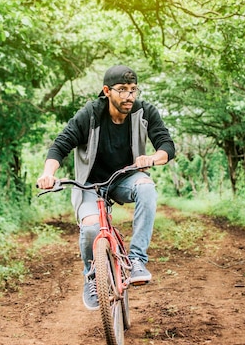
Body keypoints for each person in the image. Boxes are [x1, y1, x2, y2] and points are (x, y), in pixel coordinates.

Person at [36, 64, 176, 310]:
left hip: (124, 179)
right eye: (122, 90)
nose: (129, 96)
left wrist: (152, 158)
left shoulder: (144, 112)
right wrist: (48, 173)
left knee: (146, 187)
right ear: (107, 91)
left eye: (133, 90)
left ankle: (137, 260)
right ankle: (92, 275)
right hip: (89, 184)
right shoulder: (90, 114)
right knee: (90, 228)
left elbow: (167, 145)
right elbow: (60, 145)